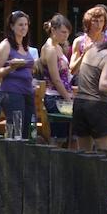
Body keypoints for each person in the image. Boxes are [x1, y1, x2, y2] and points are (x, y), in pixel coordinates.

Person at [0, 10, 36, 139]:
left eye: (26, 24)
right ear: (12, 26)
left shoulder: (25, 46)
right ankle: (11, 157)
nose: (24, 28)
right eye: (20, 25)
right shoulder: (6, 45)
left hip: (28, 93)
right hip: (12, 93)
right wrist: (10, 68)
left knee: (28, 131)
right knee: (15, 131)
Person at [38, 14, 74, 143]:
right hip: (55, 97)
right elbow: (56, 79)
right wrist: (68, 98)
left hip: (63, 95)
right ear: (53, 30)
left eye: (68, 33)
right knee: (58, 138)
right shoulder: (50, 49)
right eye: (63, 32)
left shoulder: (58, 47)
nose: (66, 36)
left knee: (67, 136)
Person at [69, 6, 107, 76]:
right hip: (84, 79)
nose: (99, 25)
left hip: (103, 79)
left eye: (101, 21)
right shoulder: (79, 42)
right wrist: (84, 54)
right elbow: (72, 70)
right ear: (88, 22)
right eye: (95, 21)